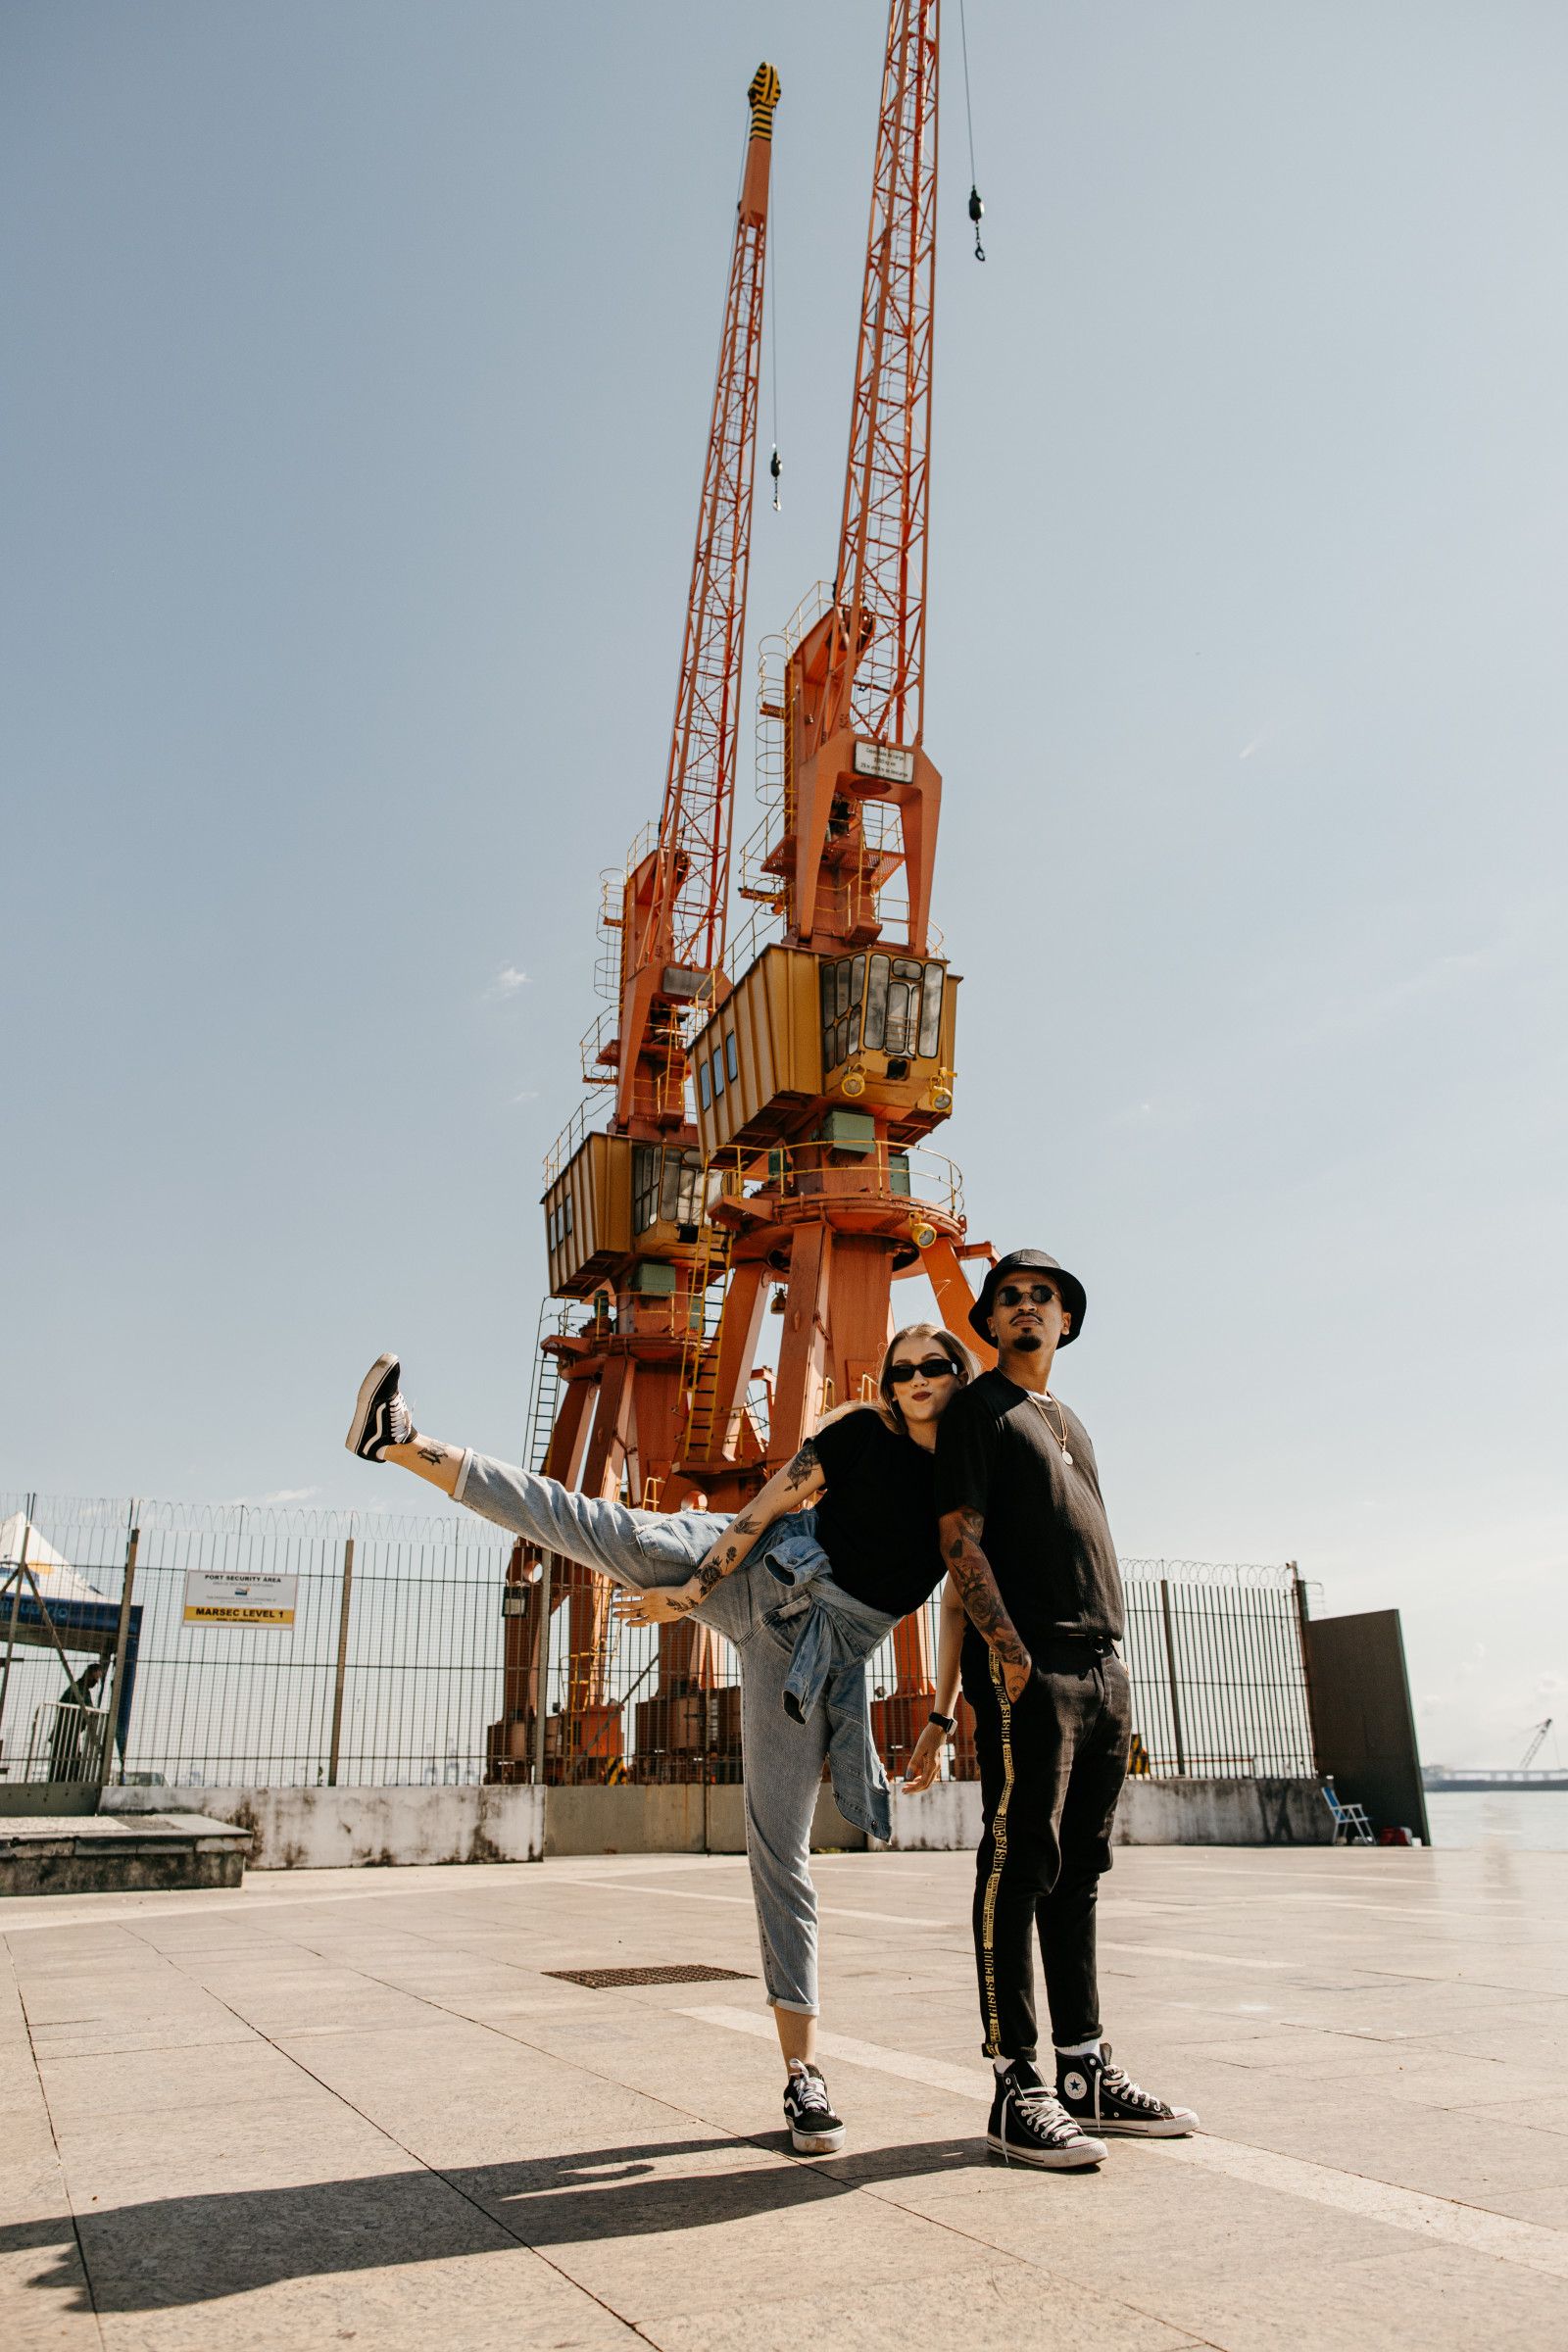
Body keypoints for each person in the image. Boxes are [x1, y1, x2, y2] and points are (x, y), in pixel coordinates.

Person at [345, 1322, 973, 2157]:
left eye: (935, 1366)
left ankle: (803, 2075)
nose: (917, 1378)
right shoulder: (858, 1433)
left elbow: (960, 1601)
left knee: (780, 1853)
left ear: (960, 1375)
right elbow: (760, 1511)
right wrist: (689, 1595)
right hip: (752, 1570)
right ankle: (400, 1443)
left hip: (813, 1662)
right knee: (603, 1528)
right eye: (902, 1369)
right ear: (887, 1385)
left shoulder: (969, 1482)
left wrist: (940, 1717)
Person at [927, 1248, 1200, 2170]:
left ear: (1066, 1321)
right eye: (1009, 1298)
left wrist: (1107, 1670)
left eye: (1042, 1297)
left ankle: (1084, 2068)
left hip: (1102, 1666)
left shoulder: (1070, 1420)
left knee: (1079, 1868)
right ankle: (1016, 2082)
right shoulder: (978, 1411)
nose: (1026, 1307)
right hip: (1033, 1666)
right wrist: (1010, 1659)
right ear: (989, 1323)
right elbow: (959, 1540)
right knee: (1017, 1864)